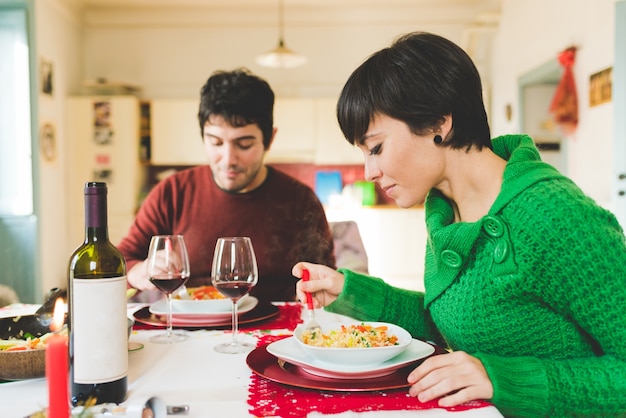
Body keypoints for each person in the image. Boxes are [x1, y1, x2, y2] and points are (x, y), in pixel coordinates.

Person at [293, 32, 626, 417]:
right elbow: (453, 326)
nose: (369, 171)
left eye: (376, 148)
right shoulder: (445, 213)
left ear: (439, 123)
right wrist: (350, 292)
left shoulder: (552, 214)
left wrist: (502, 379)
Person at [119, 68, 335, 303]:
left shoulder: (300, 200)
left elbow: (324, 283)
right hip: (188, 330)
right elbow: (123, 261)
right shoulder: (172, 193)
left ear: (269, 139)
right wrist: (141, 269)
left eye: (243, 144)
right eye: (216, 142)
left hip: (275, 331)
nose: (228, 158)